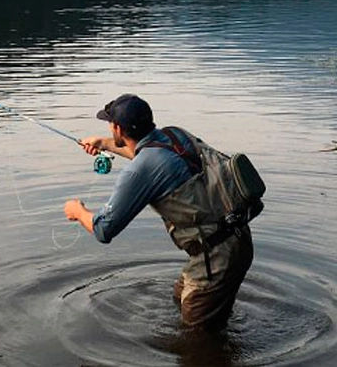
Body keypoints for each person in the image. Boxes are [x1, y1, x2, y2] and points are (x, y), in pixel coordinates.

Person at [63, 94, 255, 331]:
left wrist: (78, 211)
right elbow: (151, 158)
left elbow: (104, 229)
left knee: (197, 336)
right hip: (236, 236)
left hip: (216, 256)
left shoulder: (139, 172)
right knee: (180, 298)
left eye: (109, 124)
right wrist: (103, 143)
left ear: (118, 128)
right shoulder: (175, 135)